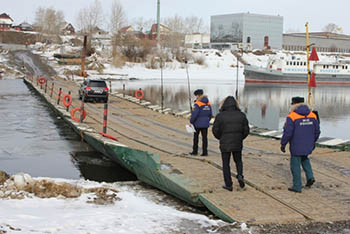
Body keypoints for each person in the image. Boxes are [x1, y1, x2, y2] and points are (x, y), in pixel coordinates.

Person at [281, 96, 320, 193]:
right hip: (308, 144)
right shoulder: (312, 115)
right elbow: (317, 131)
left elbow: (288, 132)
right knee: (305, 159)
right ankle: (310, 177)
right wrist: (313, 141)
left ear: (294, 105)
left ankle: (297, 186)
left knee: (295, 165)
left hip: (296, 145)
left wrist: (283, 144)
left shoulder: (292, 116)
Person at [212, 96, 250, 191]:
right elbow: (246, 130)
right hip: (237, 142)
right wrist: (240, 138)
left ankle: (229, 184)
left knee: (226, 163)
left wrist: (221, 138)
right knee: (238, 161)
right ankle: (240, 175)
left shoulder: (220, 116)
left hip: (225, 142)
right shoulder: (241, 115)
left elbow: (215, 130)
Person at [189, 89, 212, 156]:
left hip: (197, 124)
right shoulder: (208, 103)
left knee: (196, 138)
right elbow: (210, 114)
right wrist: (207, 120)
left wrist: (191, 121)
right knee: (205, 138)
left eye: (196, 95)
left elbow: (195, 114)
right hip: (205, 123)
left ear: (198, 95)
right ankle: (205, 152)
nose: (195, 97)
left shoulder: (197, 103)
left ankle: (195, 151)